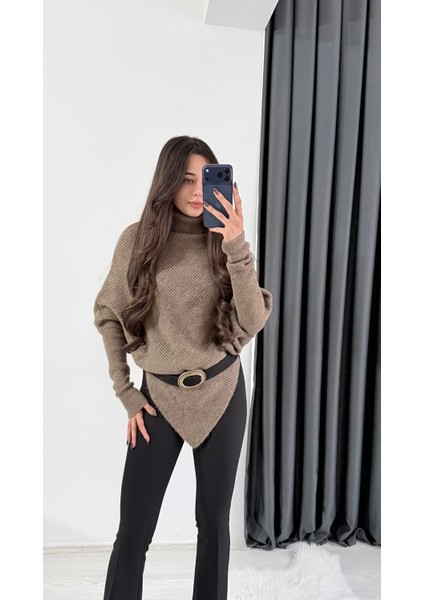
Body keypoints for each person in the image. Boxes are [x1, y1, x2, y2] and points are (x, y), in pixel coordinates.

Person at [93, 135, 273, 600]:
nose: (197, 191)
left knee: (213, 525)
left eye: (206, 180)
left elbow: (254, 319)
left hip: (222, 392)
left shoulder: (226, 243)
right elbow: (108, 314)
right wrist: (127, 393)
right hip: (158, 399)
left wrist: (236, 244)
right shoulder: (136, 241)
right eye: (186, 180)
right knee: (134, 529)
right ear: (167, 182)